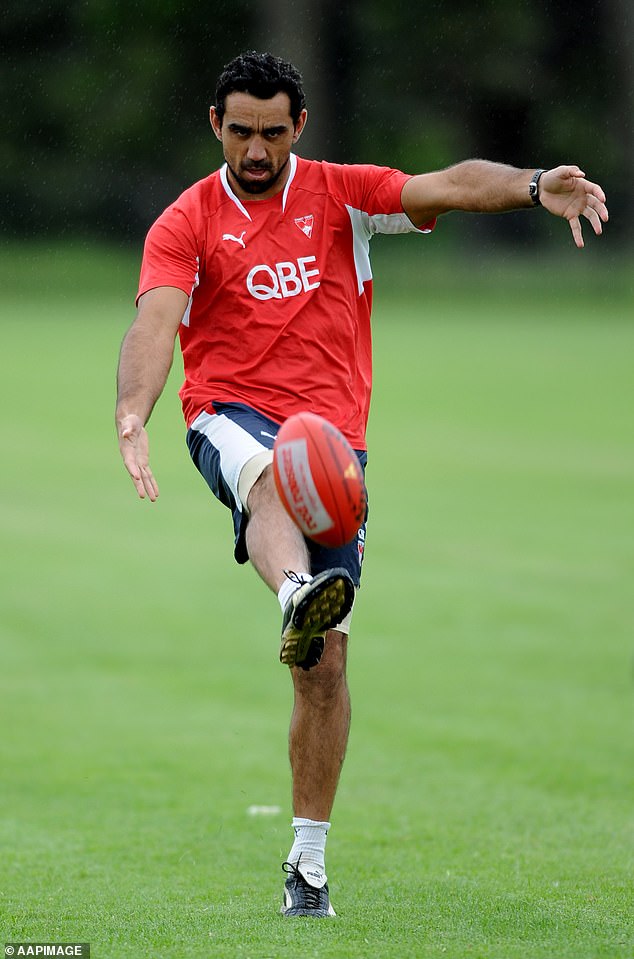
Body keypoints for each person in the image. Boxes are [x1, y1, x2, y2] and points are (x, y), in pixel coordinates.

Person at [115, 51, 608, 918]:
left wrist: (535, 185)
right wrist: (131, 411)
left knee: (327, 661)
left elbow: (449, 185)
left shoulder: (341, 195)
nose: (257, 148)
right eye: (241, 131)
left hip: (338, 454)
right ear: (215, 125)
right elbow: (156, 318)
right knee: (270, 473)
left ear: (297, 126)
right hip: (228, 416)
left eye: (273, 131)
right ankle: (295, 588)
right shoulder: (185, 221)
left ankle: (307, 863)